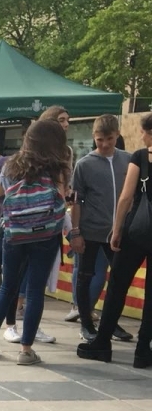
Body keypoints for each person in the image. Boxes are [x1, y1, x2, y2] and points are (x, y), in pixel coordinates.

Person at [0, 119, 71, 367]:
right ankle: (26, 349)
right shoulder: (57, 168)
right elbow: (62, 198)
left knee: (7, 287)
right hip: (45, 235)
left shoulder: (11, 165)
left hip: (14, 233)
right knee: (34, 291)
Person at [78, 111, 152, 368]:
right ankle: (144, 350)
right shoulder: (135, 155)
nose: (141, 136)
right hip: (136, 230)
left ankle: (102, 342)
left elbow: (125, 198)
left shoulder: (140, 157)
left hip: (135, 231)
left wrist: (117, 229)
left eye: (143, 132)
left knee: (117, 285)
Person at [68, 115, 131, 343]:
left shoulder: (129, 160)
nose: (104, 145)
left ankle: (110, 321)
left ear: (117, 136)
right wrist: (76, 232)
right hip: (92, 230)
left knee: (120, 279)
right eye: (100, 140)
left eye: (110, 139)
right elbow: (77, 201)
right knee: (85, 277)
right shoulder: (84, 164)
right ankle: (86, 323)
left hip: (120, 231)